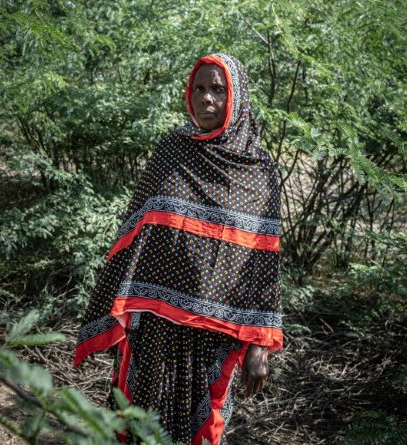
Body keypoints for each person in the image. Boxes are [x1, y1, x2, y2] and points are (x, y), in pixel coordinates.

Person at [74, 53, 283, 445]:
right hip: (154, 325)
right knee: (140, 421)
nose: (206, 98)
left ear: (236, 97)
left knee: (201, 428)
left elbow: (264, 263)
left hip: (214, 336)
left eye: (217, 90)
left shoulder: (258, 170)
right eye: (199, 89)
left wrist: (260, 345)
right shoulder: (171, 150)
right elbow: (133, 231)